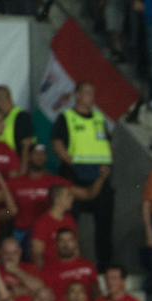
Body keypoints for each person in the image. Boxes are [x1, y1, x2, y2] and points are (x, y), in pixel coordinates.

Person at [49, 82, 116, 267]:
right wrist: (67, 158)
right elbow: (57, 142)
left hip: (99, 176)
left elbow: (108, 143)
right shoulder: (66, 117)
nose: (91, 96)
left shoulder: (99, 118)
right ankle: (69, 261)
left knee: (105, 225)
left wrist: (108, 161)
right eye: (86, 92)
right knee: (70, 222)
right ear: (77, 95)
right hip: (75, 176)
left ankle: (104, 266)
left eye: (92, 92)